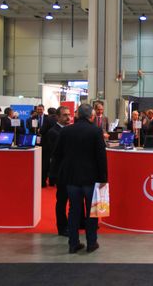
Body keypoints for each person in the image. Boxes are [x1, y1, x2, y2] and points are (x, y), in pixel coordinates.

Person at [52, 103, 108, 253]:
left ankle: (73, 243)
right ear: (91, 116)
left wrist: (58, 175)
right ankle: (91, 242)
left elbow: (57, 155)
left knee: (73, 211)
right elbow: (101, 157)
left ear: (77, 115)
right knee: (92, 212)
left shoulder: (66, 131)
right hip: (92, 178)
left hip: (71, 178)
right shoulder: (96, 131)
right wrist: (104, 179)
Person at [47, 106, 72, 237]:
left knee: (73, 200)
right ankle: (62, 227)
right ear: (57, 117)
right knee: (62, 201)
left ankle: (72, 224)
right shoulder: (53, 132)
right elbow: (59, 152)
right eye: (64, 115)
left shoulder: (70, 130)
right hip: (61, 172)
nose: (68, 118)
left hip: (72, 171)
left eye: (69, 115)